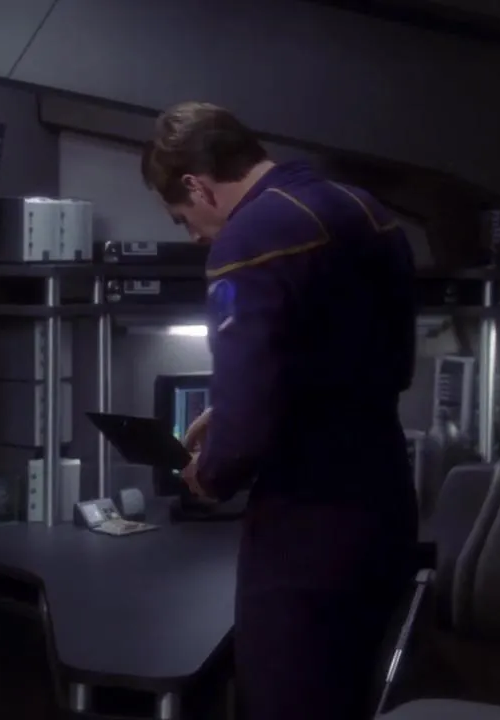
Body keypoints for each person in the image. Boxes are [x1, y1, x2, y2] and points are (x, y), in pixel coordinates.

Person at [142, 102, 419, 720]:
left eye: (184, 218)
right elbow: (339, 357)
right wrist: (234, 413)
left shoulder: (251, 237)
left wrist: (212, 473)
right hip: (384, 500)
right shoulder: (364, 209)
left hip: (308, 520)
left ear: (196, 185)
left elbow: (246, 416)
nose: (195, 236)